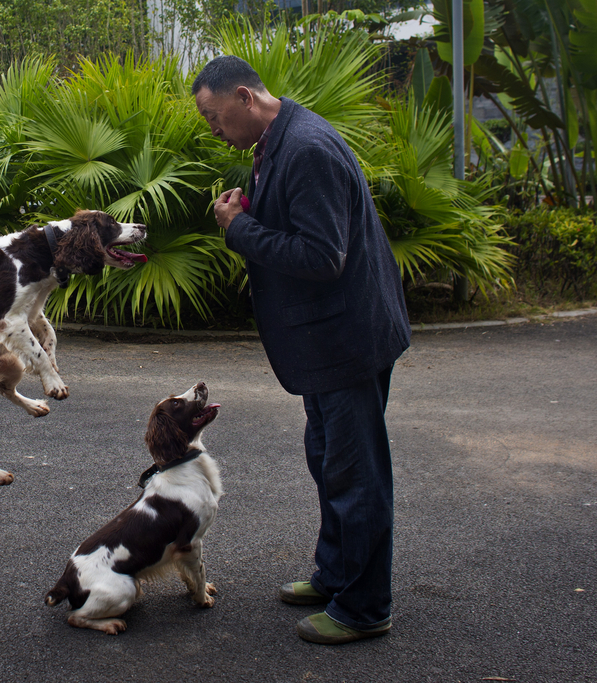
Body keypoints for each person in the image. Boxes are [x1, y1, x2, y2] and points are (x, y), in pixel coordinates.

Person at [192, 55, 411, 645]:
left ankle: (365, 608)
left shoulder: (307, 147)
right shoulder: (277, 138)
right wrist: (249, 210)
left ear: (244, 96)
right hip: (326, 340)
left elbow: (322, 256)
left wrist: (239, 230)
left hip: (347, 338)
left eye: (215, 118)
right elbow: (303, 226)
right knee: (329, 458)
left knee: (355, 472)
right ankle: (338, 574)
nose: (214, 130)